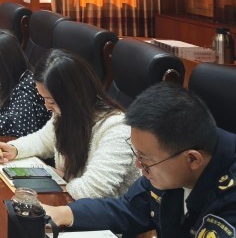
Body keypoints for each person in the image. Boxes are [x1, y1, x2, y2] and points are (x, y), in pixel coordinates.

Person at [44, 83, 236, 237]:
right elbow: (129, 208)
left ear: (192, 159)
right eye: (137, 154)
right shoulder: (172, 162)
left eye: (145, 159)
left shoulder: (230, 199)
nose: (138, 165)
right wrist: (64, 213)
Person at [0, 49, 139, 199]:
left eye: (51, 101)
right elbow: (43, 140)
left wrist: (64, 178)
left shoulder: (117, 129)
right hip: (73, 201)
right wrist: (15, 149)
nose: (47, 106)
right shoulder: (66, 114)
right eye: (44, 99)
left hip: (104, 210)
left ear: (74, 96)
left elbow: (93, 191)